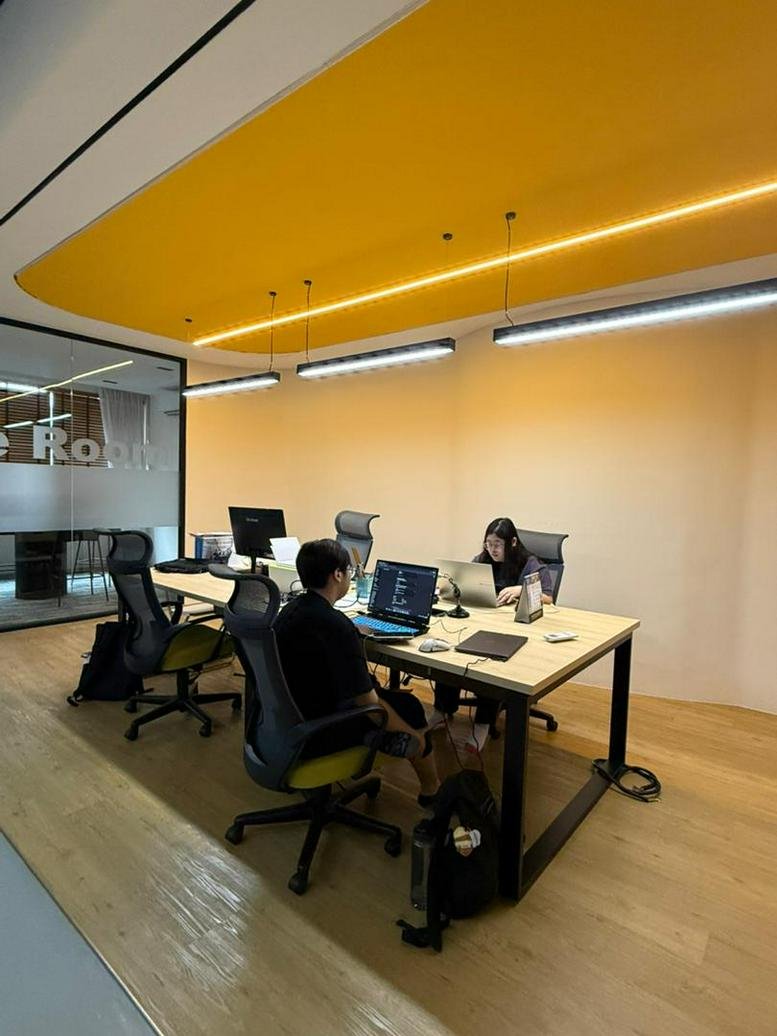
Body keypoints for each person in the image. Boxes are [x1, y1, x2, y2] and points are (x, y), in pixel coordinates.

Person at [274, 538, 439, 805]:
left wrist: (352, 636)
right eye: (349, 571)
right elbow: (369, 703)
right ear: (338, 574)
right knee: (408, 705)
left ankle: (386, 741)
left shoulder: (289, 611)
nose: (349, 576)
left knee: (386, 697)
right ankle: (432, 790)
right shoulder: (337, 627)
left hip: (287, 719)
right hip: (322, 729)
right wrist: (414, 737)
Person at [431, 517, 554, 753]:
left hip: (516, 630)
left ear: (513, 542)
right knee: (448, 652)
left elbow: (548, 597)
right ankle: (441, 711)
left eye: (497, 544)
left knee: (490, 665)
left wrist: (521, 589)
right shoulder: (482, 560)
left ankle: (483, 724)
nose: (492, 549)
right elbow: (462, 581)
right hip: (481, 623)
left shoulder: (530, 563)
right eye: (488, 543)